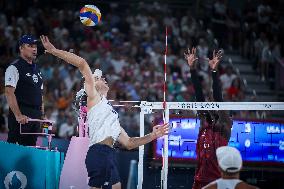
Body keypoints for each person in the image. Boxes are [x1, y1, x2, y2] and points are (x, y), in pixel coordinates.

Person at [40, 35, 169, 189]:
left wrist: (153, 135)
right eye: (99, 78)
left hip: (110, 154)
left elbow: (129, 143)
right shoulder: (93, 98)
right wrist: (54, 51)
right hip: (98, 152)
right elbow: (81, 63)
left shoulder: (112, 115)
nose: (103, 79)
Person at [184, 48, 232, 189]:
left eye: (212, 100)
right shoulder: (204, 120)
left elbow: (218, 97)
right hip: (199, 180)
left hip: (218, 182)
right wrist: (192, 69)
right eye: (208, 100)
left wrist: (214, 71)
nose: (209, 102)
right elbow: (199, 94)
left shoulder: (224, 125)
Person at [5, 35, 44, 146]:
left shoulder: (37, 69)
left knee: (30, 149)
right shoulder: (14, 67)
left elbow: (40, 94)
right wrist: (18, 115)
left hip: (35, 116)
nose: (34, 49)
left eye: (35, 46)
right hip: (22, 115)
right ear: (21, 48)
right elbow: (9, 92)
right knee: (15, 149)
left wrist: (42, 114)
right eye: (30, 46)